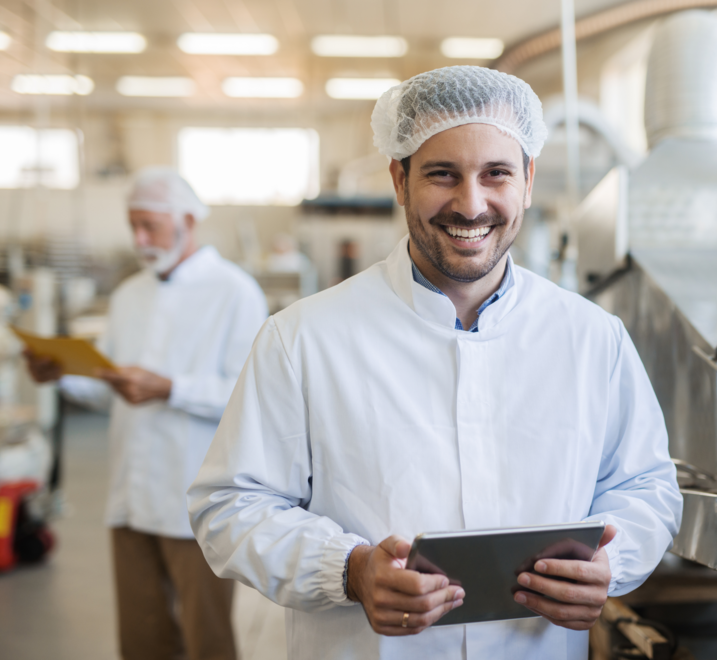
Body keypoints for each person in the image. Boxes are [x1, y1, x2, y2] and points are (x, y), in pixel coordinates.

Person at [187, 66, 682, 660]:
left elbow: (645, 484)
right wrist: (349, 569)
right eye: (442, 174)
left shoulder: (592, 339)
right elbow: (232, 505)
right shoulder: (303, 338)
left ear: (527, 179)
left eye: (495, 173)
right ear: (399, 179)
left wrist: (613, 561)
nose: (470, 204)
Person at [25, 168, 269, 660]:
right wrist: (63, 375)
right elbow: (109, 386)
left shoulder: (234, 292)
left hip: (197, 502)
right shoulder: (129, 294)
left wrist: (170, 388)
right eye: (132, 225)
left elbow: (251, 396)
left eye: (149, 226)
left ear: (186, 221)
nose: (138, 239)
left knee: (209, 640)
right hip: (131, 497)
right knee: (141, 638)